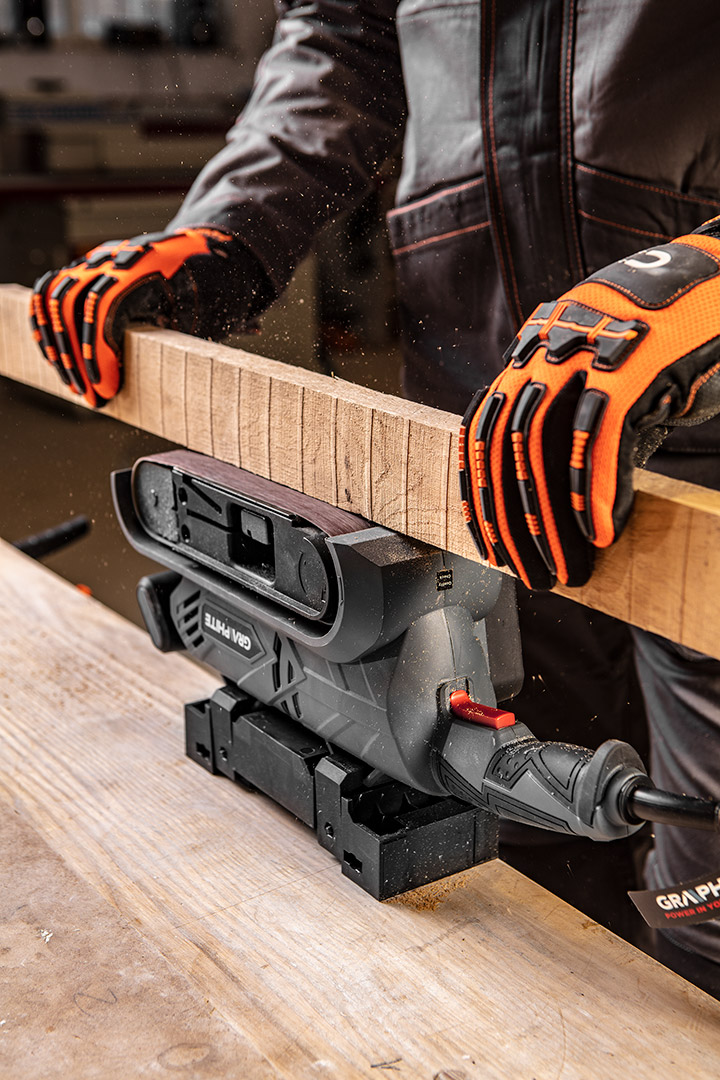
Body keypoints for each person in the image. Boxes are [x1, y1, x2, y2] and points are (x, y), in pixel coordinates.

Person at [29, 1, 720, 994]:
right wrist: (226, 225)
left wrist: (697, 281)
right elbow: (343, 36)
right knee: (527, 857)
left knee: (705, 914)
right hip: (488, 425)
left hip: (701, 396)